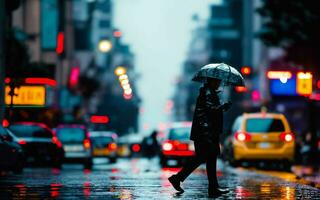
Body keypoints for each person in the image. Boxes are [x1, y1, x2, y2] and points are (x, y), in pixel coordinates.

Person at [168, 77, 232, 198]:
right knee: (203, 158)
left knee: (208, 160)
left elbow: (210, 111)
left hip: (208, 132)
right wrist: (223, 107)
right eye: (217, 81)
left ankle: (212, 188)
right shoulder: (208, 93)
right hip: (206, 133)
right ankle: (178, 178)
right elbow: (210, 110)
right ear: (211, 81)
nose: (219, 83)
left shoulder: (210, 92)